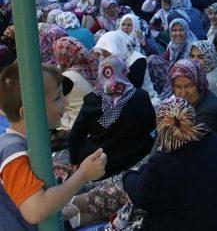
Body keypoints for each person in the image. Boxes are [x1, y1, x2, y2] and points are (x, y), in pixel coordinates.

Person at [0, 63, 107, 229]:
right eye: (58, 97)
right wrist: (83, 175)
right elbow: (35, 210)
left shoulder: (24, 143)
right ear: (27, 112)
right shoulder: (13, 151)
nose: (65, 102)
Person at [119, 98, 217, 231]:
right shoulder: (212, 138)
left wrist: (128, 175)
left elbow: (140, 196)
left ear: (162, 128)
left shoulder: (165, 161)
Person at [69, 57, 156, 179]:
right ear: (124, 72)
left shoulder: (92, 99)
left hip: (102, 164)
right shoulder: (140, 96)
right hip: (134, 157)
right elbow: (151, 125)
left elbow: (76, 134)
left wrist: (74, 160)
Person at [94, 31, 160, 105]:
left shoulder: (137, 60)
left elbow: (135, 87)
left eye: (106, 51)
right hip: (118, 97)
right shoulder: (111, 59)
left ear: (117, 46)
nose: (103, 54)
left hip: (142, 98)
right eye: (103, 51)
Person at [170, 59, 217, 137]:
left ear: (199, 84)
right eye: (178, 87)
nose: (183, 93)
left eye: (189, 86)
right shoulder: (196, 99)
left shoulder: (207, 113)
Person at [52, 37, 97, 131]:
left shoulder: (67, 77)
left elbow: (55, 105)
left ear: (63, 55)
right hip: (92, 123)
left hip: (75, 127)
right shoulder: (88, 68)